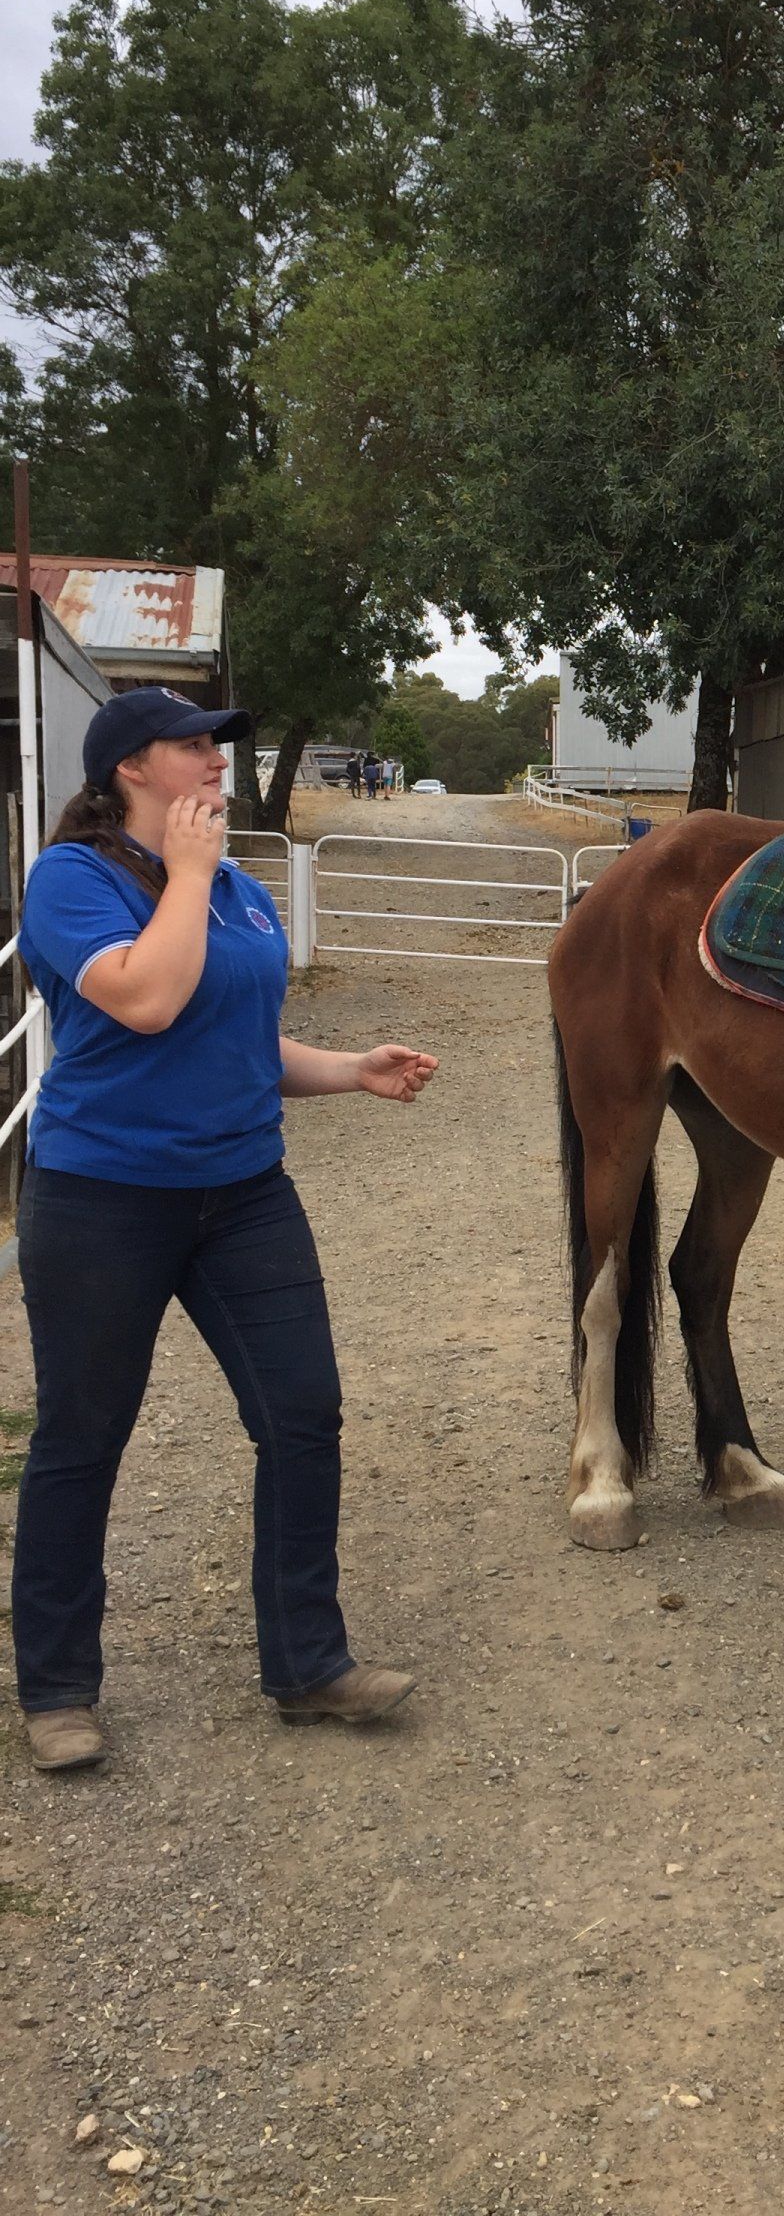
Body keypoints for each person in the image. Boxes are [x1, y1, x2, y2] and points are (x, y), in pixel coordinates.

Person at [12, 687, 439, 1774]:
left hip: (244, 1193)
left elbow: (242, 1040)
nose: (214, 761)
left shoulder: (241, 889)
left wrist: (349, 1070)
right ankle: (57, 1688)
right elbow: (147, 1001)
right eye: (192, 745)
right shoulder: (72, 880)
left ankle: (308, 1663)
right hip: (102, 1198)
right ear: (129, 770)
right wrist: (190, 877)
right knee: (83, 1436)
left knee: (303, 1414)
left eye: (218, 745)